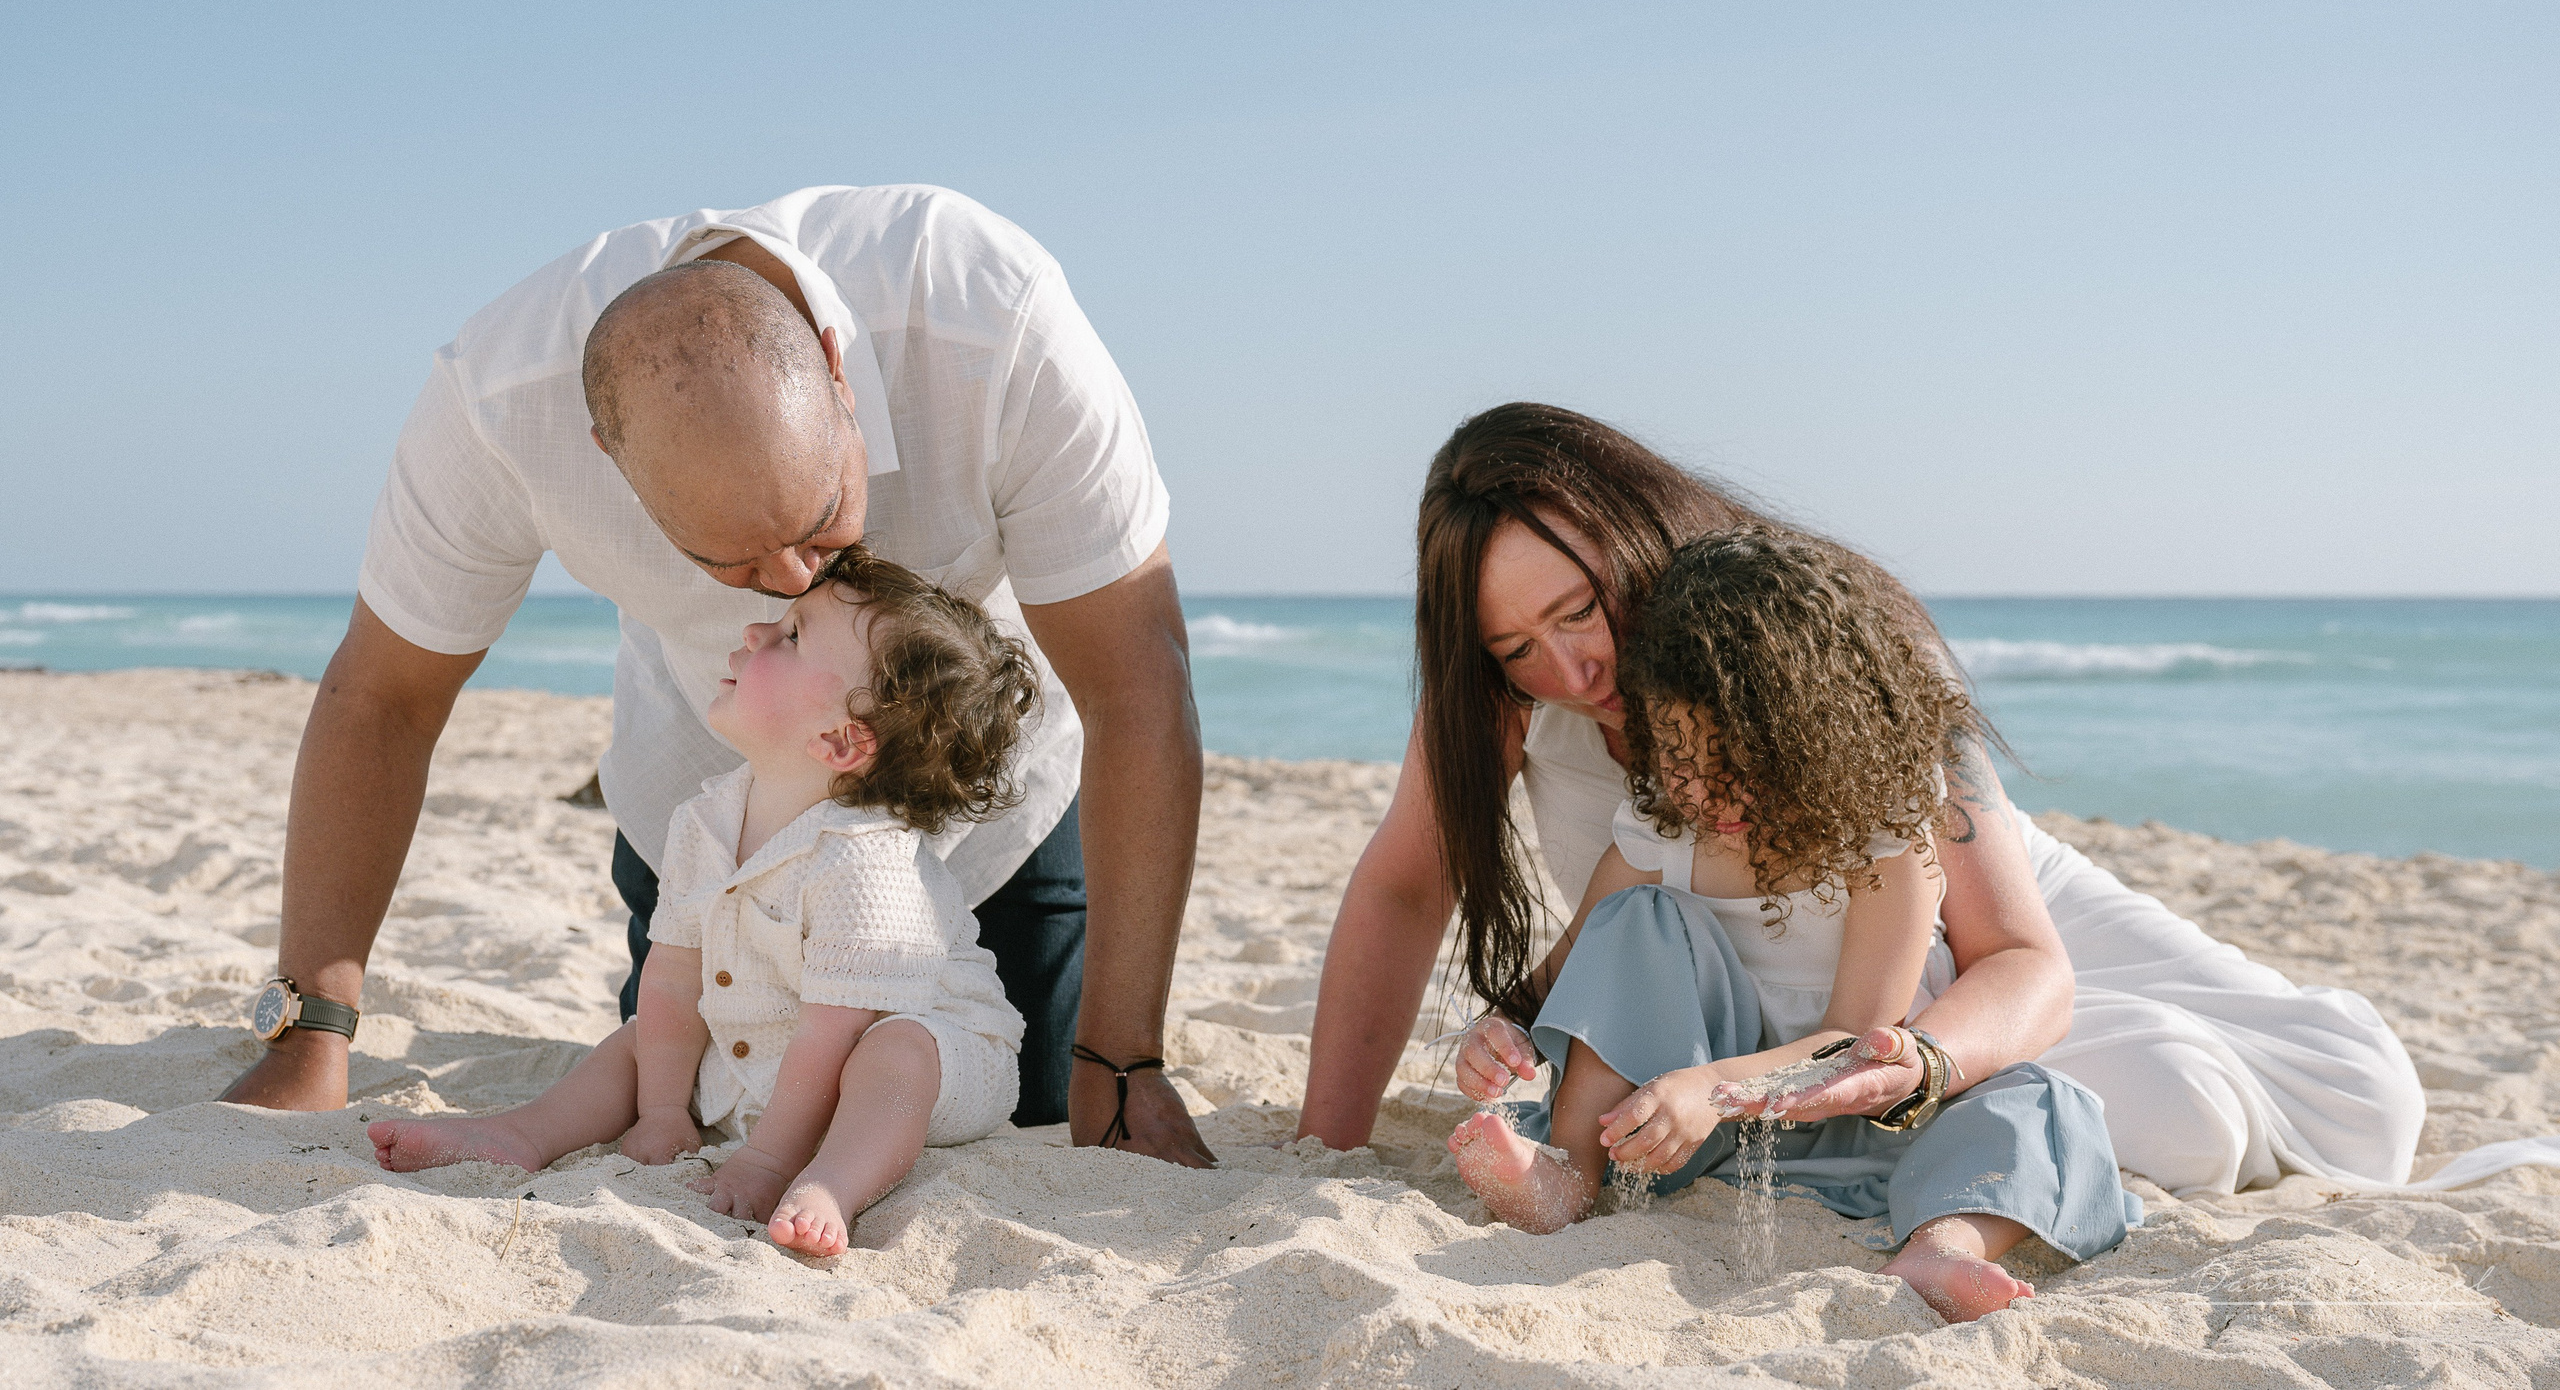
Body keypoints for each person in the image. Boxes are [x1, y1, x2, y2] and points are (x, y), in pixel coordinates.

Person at [225, 185, 1211, 1168]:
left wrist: (1124, 1062)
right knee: (685, 1096)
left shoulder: (991, 318)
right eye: (732, 564)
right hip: (714, 810)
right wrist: (310, 1031)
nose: (796, 586)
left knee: (1020, 1101)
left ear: (837, 368)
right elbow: (382, 699)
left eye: (821, 517)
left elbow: (1138, 683)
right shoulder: (496, 403)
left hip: (990, 800)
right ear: (608, 459)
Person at [1300, 403, 2427, 1197]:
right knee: (2185, 1105)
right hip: (1739, 986)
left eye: (1581, 608)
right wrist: (1324, 1148)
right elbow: (1406, 889)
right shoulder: (1507, 700)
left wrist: (1914, 1061)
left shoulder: (1825, 643)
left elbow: (2016, 956)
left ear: (1634, 541)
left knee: (2357, 1095)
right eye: (1517, 645)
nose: (1573, 669)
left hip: (1946, 919)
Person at [1446, 527, 2135, 1323]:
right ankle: (1568, 1171)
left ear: (1814, 739)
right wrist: (1503, 1027)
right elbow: (1571, 970)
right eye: (1681, 760)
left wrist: (1715, 1088)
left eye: (1739, 764)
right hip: (1676, 1134)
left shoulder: (1885, 841)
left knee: (2046, 1100)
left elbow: (1851, 1040)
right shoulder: (1661, 830)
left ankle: (1942, 1245)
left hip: (1867, 1136)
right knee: (1636, 917)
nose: (1709, 796)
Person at [370, 550, 1037, 1255]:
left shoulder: (865, 862)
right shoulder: (707, 820)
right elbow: (671, 975)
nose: (756, 633)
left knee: (892, 1054)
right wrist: (660, 1109)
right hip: (779, 1041)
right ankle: (523, 1131)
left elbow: (832, 1035)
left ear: (841, 739)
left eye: (793, 636)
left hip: (938, 1055)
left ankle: (834, 1181)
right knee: (640, 1041)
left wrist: (769, 1161)